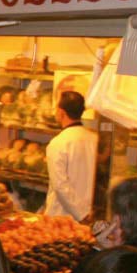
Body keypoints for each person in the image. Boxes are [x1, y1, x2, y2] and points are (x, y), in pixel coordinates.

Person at [44, 88, 96, 222]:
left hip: (61, 217)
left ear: (61, 113)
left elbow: (59, 185)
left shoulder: (58, 143)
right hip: (88, 212)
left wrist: (81, 214)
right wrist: (85, 213)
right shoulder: (94, 139)